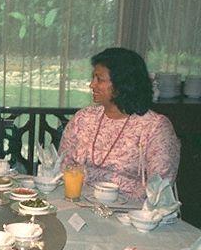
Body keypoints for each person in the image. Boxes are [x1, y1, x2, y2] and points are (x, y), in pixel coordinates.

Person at [59, 47, 180, 199]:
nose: (92, 85)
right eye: (93, 78)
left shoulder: (155, 126)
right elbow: (63, 165)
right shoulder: (84, 118)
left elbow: (159, 187)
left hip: (131, 213)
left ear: (122, 84)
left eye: (99, 79)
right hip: (80, 203)